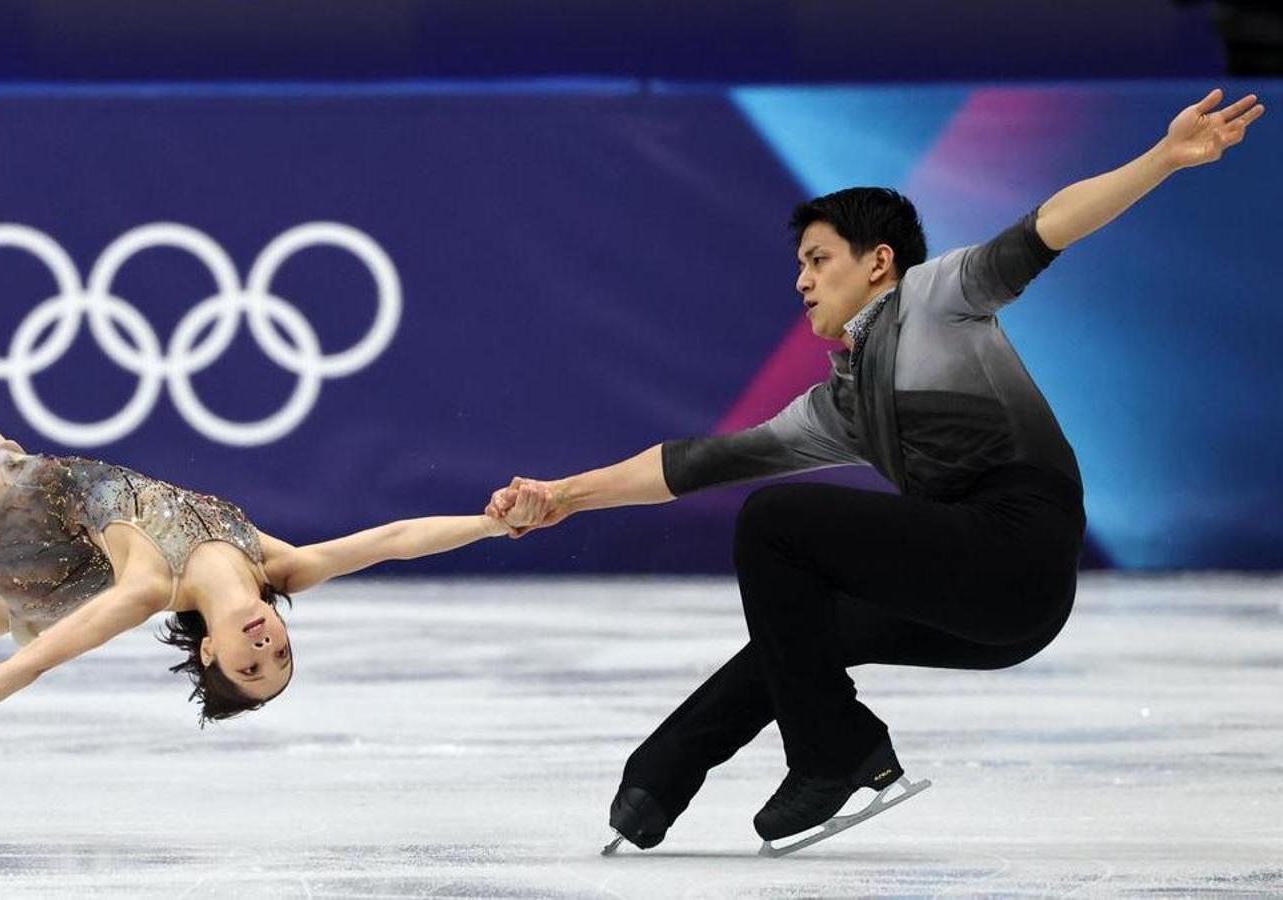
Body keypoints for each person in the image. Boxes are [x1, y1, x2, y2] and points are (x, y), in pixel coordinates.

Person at [487, 89, 1265, 855]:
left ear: (879, 262)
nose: (802, 280)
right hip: (990, 611)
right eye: (800, 264)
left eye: (818, 259)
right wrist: (562, 496)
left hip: (1018, 549)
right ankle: (657, 779)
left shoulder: (936, 297)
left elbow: (1047, 228)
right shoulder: (842, 404)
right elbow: (692, 465)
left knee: (775, 523)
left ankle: (835, 753)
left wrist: (1163, 157)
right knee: (801, 632)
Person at [0, 362, 529, 837]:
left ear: (212, 649)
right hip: (56, 574)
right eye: (281, 653)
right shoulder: (277, 566)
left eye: (252, 666)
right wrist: (493, 528)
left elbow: (46, 658)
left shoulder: (154, 583)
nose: (267, 646)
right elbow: (394, 540)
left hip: (18, 509)